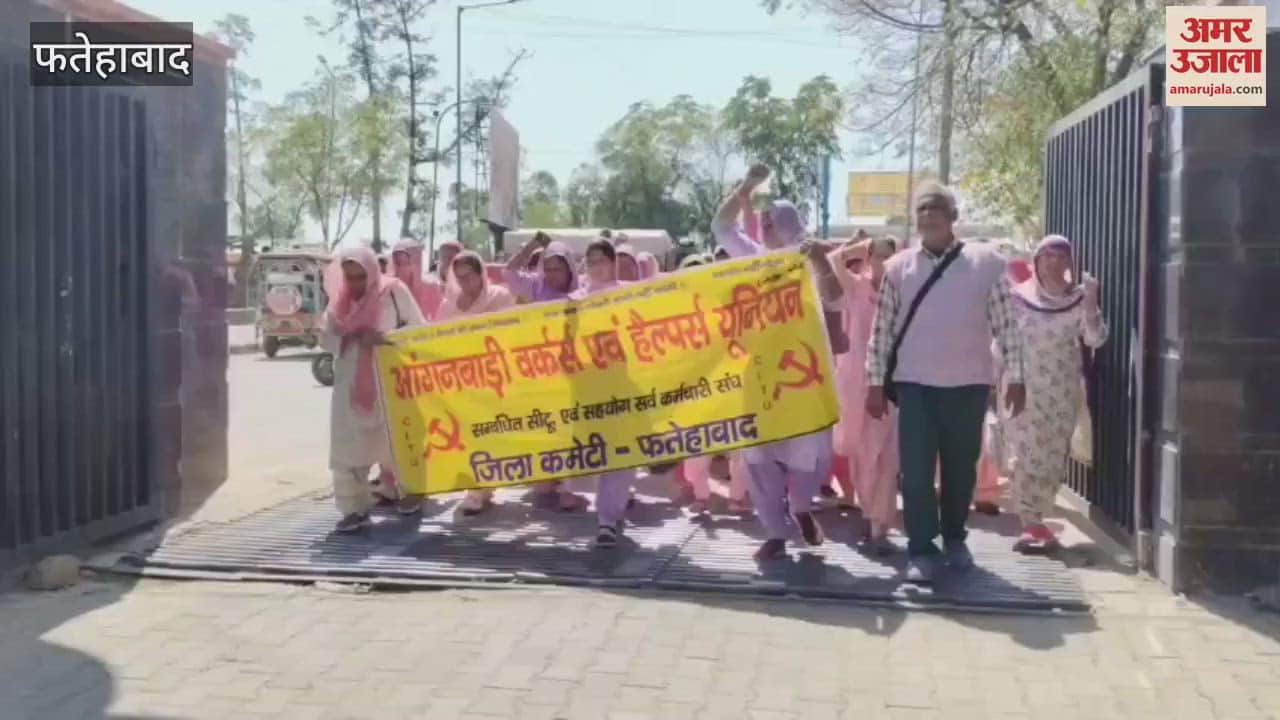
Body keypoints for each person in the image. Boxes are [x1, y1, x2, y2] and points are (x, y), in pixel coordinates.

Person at [865, 182, 1027, 583]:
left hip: (968, 386)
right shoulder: (898, 267)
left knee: (960, 471)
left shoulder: (987, 262)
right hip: (914, 386)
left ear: (954, 216)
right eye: (921, 209)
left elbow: (1007, 325)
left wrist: (1018, 377)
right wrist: (873, 383)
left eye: (937, 208)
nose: (928, 215)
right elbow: (881, 329)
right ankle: (921, 549)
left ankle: (955, 539)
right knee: (917, 474)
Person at [712, 163, 847, 560]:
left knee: (808, 455)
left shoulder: (808, 259)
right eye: (763, 219)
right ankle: (774, 530)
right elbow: (722, 227)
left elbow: (836, 299)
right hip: (760, 377)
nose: (766, 224)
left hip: (805, 376)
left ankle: (802, 507)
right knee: (757, 456)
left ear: (791, 224)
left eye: (774, 220)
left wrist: (820, 264)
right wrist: (747, 189)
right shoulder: (753, 259)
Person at [1008, 234, 1107, 551]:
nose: (1054, 262)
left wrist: (1091, 303)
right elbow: (1003, 342)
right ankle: (1030, 521)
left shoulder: (1077, 299)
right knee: (1025, 454)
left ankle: (1038, 517)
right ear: (1036, 261)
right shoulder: (1017, 298)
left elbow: (1094, 338)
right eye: (1047, 255)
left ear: (1070, 263)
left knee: (1052, 454)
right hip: (1023, 389)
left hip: (1062, 391)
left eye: (1061, 256)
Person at [321, 247, 428, 533]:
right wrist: (348, 338)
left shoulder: (393, 292)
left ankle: (411, 492)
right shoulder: (339, 302)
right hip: (349, 386)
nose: (355, 283)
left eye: (360, 276)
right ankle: (354, 509)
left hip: (389, 382)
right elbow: (324, 339)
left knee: (398, 441)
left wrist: (382, 339)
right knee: (346, 449)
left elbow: (419, 332)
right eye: (349, 277)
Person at [829, 235, 900, 555]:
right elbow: (833, 260)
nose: (882, 262)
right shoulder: (856, 286)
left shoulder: (902, 291)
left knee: (886, 454)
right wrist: (861, 245)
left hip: (892, 382)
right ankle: (869, 511)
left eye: (888, 257)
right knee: (861, 454)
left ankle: (879, 523)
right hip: (855, 382)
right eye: (877, 256)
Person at [437, 252, 518, 516]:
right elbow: (434, 338)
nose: (464, 283)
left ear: (480, 273)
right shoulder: (449, 304)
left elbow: (512, 332)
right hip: (459, 379)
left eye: (469, 277)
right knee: (467, 433)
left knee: (489, 431)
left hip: (493, 377)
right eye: (459, 278)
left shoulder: (500, 297)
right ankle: (477, 486)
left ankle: (481, 487)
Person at [503, 232, 578, 304]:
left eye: (557, 270)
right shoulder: (536, 286)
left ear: (568, 270)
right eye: (548, 270)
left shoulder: (582, 289)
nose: (552, 275)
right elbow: (510, 272)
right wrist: (529, 248)